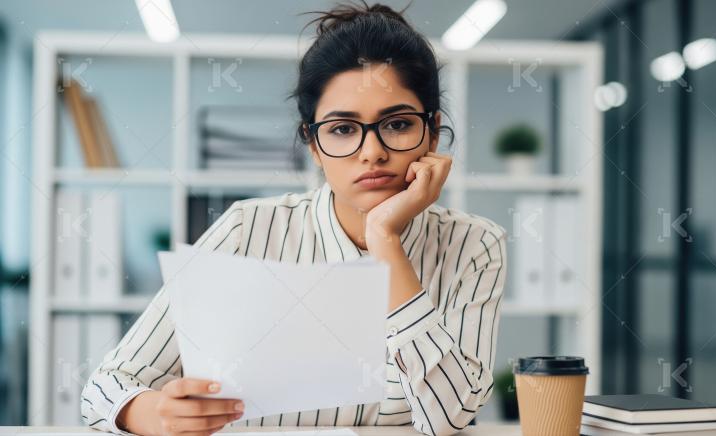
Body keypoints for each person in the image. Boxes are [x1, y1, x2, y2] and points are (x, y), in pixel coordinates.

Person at [81, 2, 507, 435]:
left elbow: (448, 417)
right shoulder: (247, 230)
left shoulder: (474, 244)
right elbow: (104, 389)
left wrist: (385, 240)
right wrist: (154, 412)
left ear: (432, 131)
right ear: (313, 145)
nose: (372, 151)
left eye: (397, 124)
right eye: (342, 129)